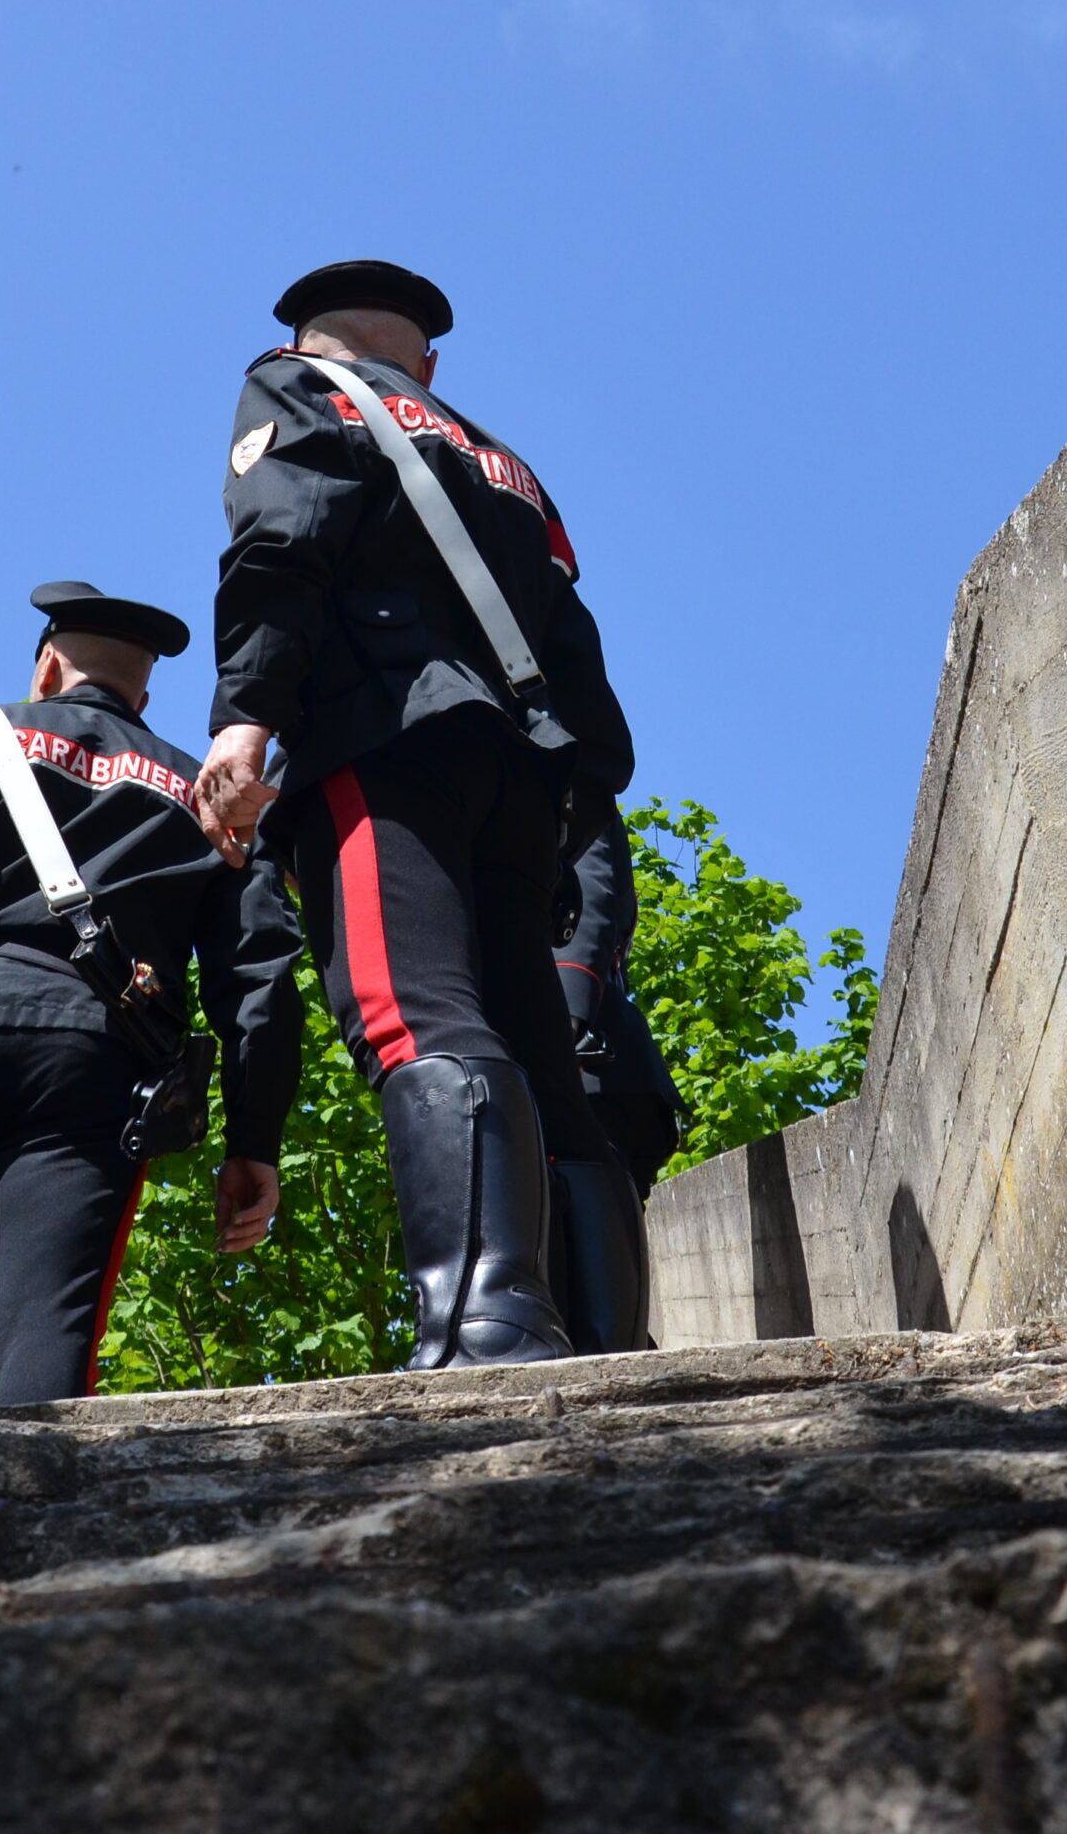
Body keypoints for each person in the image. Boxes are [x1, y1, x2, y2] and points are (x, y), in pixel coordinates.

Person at [195, 260, 644, 1366]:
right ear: (425, 362)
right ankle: (598, 1335)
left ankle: (482, 1322)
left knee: (414, 1013)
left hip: (380, 738)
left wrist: (246, 717)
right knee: (538, 1056)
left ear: (310, 342)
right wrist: (575, 789)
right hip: (522, 773)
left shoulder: (298, 390)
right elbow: (570, 637)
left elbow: (281, 543)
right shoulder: (506, 461)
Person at [0, 582, 303, 1411]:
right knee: (50, 1339)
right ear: (143, 696)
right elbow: (257, 977)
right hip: (92, 1069)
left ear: (46, 669)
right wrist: (252, 1139)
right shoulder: (204, 797)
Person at [549, 799, 686, 1350]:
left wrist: (566, 1009)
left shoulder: (564, 779)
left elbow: (593, 878)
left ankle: (615, 1370)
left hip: (591, 1061)